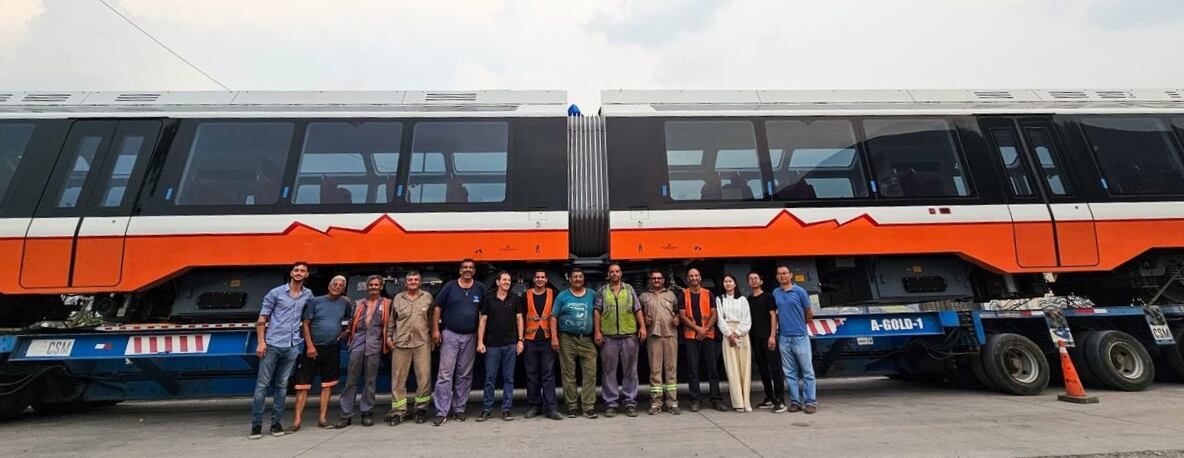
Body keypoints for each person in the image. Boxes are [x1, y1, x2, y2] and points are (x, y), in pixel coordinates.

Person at [249, 261, 314, 439]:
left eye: (303, 271)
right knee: (262, 386)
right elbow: (262, 318)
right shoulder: (276, 293)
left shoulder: (308, 294)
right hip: (272, 344)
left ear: (307, 275)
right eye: (296, 270)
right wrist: (261, 342)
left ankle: (276, 424)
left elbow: (309, 317)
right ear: (291, 273)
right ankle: (256, 426)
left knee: (282, 386)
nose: (299, 273)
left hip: (292, 346)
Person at [290, 275, 351, 432]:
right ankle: (297, 421)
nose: (337, 286)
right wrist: (309, 346)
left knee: (327, 385)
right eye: (335, 284)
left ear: (344, 289)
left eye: (341, 285)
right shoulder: (315, 302)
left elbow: (352, 319)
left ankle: (323, 418)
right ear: (329, 286)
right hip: (313, 348)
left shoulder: (345, 303)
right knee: (303, 385)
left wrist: (345, 332)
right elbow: (305, 324)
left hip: (332, 347)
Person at [431, 259, 484, 427]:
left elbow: (484, 313)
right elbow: (437, 307)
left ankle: (459, 409)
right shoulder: (450, 286)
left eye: (470, 268)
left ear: (474, 271)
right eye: (465, 267)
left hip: (470, 337)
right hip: (450, 335)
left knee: (465, 374)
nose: (467, 270)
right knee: (445, 374)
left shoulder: (480, 288)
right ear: (460, 270)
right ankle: (441, 411)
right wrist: (435, 330)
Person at [594, 263, 647, 418]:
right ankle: (611, 404)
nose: (614, 274)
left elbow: (637, 309)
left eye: (617, 271)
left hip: (629, 336)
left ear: (621, 274)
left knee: (630, 371)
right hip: (609, 337)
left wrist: (642, 327)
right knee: (608, 371)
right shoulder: (602, 291)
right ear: (608, 275)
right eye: (611, 272)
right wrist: (597, 331)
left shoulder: (629, 289)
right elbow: (597, 312)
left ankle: (630, 403)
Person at [337, 275, 390, 428]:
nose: (373, 287)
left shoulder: (387, 304)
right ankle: (346, 414)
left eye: (376, 285)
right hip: (358, 343)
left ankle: (367, 412)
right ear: (367, 287)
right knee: (351, 380)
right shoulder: (358, 303)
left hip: (374, 344)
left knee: (370, 380)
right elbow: (350, 321)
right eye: (371, 285)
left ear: (381, 287)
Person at [385, 271, 434, 426]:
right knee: (398, 378)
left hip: (422, 343)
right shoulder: (398, 299)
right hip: (401, 343)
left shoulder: (427, 297)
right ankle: (399, 411)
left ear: (420, 282)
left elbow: (432, 319)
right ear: (405, 283)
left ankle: (421, 409)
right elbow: (392, 320)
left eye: (416, 279)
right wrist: (388, 337)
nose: (413, 282)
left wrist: (433, 337)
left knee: (424, 378)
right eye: (410, 280)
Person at [551, 268, 599, 419]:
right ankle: (572, 406)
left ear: (583, 279)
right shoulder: (562, 296)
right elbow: (554, 317)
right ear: (570, 280)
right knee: (568, 374)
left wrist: (598, 332)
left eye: (580, 277)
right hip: (567, 339)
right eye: (575, 277)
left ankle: (588, 407)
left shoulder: (592, 295)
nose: (577, 279)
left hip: (587, 339)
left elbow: (598, 314)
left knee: (590, 374)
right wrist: (554, 338)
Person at [476, 271, 524, 422]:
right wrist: (480, 342)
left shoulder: (515, 299)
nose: (507, 282)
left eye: (509, 280)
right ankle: (487, 409)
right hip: (492, 345)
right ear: (497, 282)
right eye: (504, 279)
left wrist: (520, 340)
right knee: (490, 378)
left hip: (510, 344)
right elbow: (483, 320)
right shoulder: (489, 299)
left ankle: (506, 409)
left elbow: (519, 320)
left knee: (508, 378)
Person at [678, 267, 725, 412]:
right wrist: (698, 329)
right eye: (691, 276)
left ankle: (716, 399)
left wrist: (704, 330)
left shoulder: (708, 294)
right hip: (692, 336)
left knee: (713, 369)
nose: (693, 278)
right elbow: (682, 316)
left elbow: (714, 314)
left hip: (707, 336)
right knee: (693, 369)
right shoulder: (683, 295)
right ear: (688, 279)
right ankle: (695, 399)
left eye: (696, 275)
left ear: (700, 277)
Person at [772, 265, 817, 414]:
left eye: (785, 273)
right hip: (784, 337)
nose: (782, 276)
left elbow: (809, 311)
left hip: (800, 336)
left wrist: (800, 325)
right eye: (780, 274)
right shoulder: (776, 293)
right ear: (777, 277)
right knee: (790, 372)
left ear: (791, 275)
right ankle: (795, 402)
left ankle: (810, 402)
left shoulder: (800, 291)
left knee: (807, 371)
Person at [522, 269, 563, 420]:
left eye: (542, 277)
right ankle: (535, 406)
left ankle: (551, 408)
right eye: (537, 277)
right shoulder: (526, 295)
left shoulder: (553, 294)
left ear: (546, 280)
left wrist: (555, 337)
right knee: (532, 375)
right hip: (531, 340)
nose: (539, 279)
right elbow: (520, 317)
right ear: (533, 279)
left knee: (548, 375)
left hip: (547, 340)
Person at [638, 269, 680, 415]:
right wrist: (644, 320)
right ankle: (656, 403)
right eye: (653, 278)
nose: (656, 280)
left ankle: (672, 402)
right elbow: (638, 315)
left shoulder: (671, 295)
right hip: (653, 336)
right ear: (650, 280)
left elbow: (677, 313)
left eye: (659, 278)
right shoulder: (643, 297)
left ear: (663, 280)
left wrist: (677, 320)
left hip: (670, 336)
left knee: (671, 369)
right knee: (655, 370)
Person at [747, 271, 786, 413]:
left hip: (768, 338)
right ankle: (769, 397)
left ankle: (780, 400)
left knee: (775, 368)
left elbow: (773, 316)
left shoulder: (769, 297)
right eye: (750, 279)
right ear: (748, 283)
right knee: (763, 369)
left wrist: (772, 336)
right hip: (755, 338)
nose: (753, 280)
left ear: (761, 281)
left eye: (756, 278)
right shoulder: (748, 300)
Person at [717, 274, 753, 412]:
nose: (728, 284)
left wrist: (738, 332)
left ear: (735, 284)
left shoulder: (743, 300)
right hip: (728, 335)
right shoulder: (720, 299)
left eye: (730, 281)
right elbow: (720, 319)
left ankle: (746, 401)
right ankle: (738, 402)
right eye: (725, 281)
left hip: (742, 333)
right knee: (732, 370)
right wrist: (729, 334)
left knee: (745, 368)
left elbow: (747, 319)